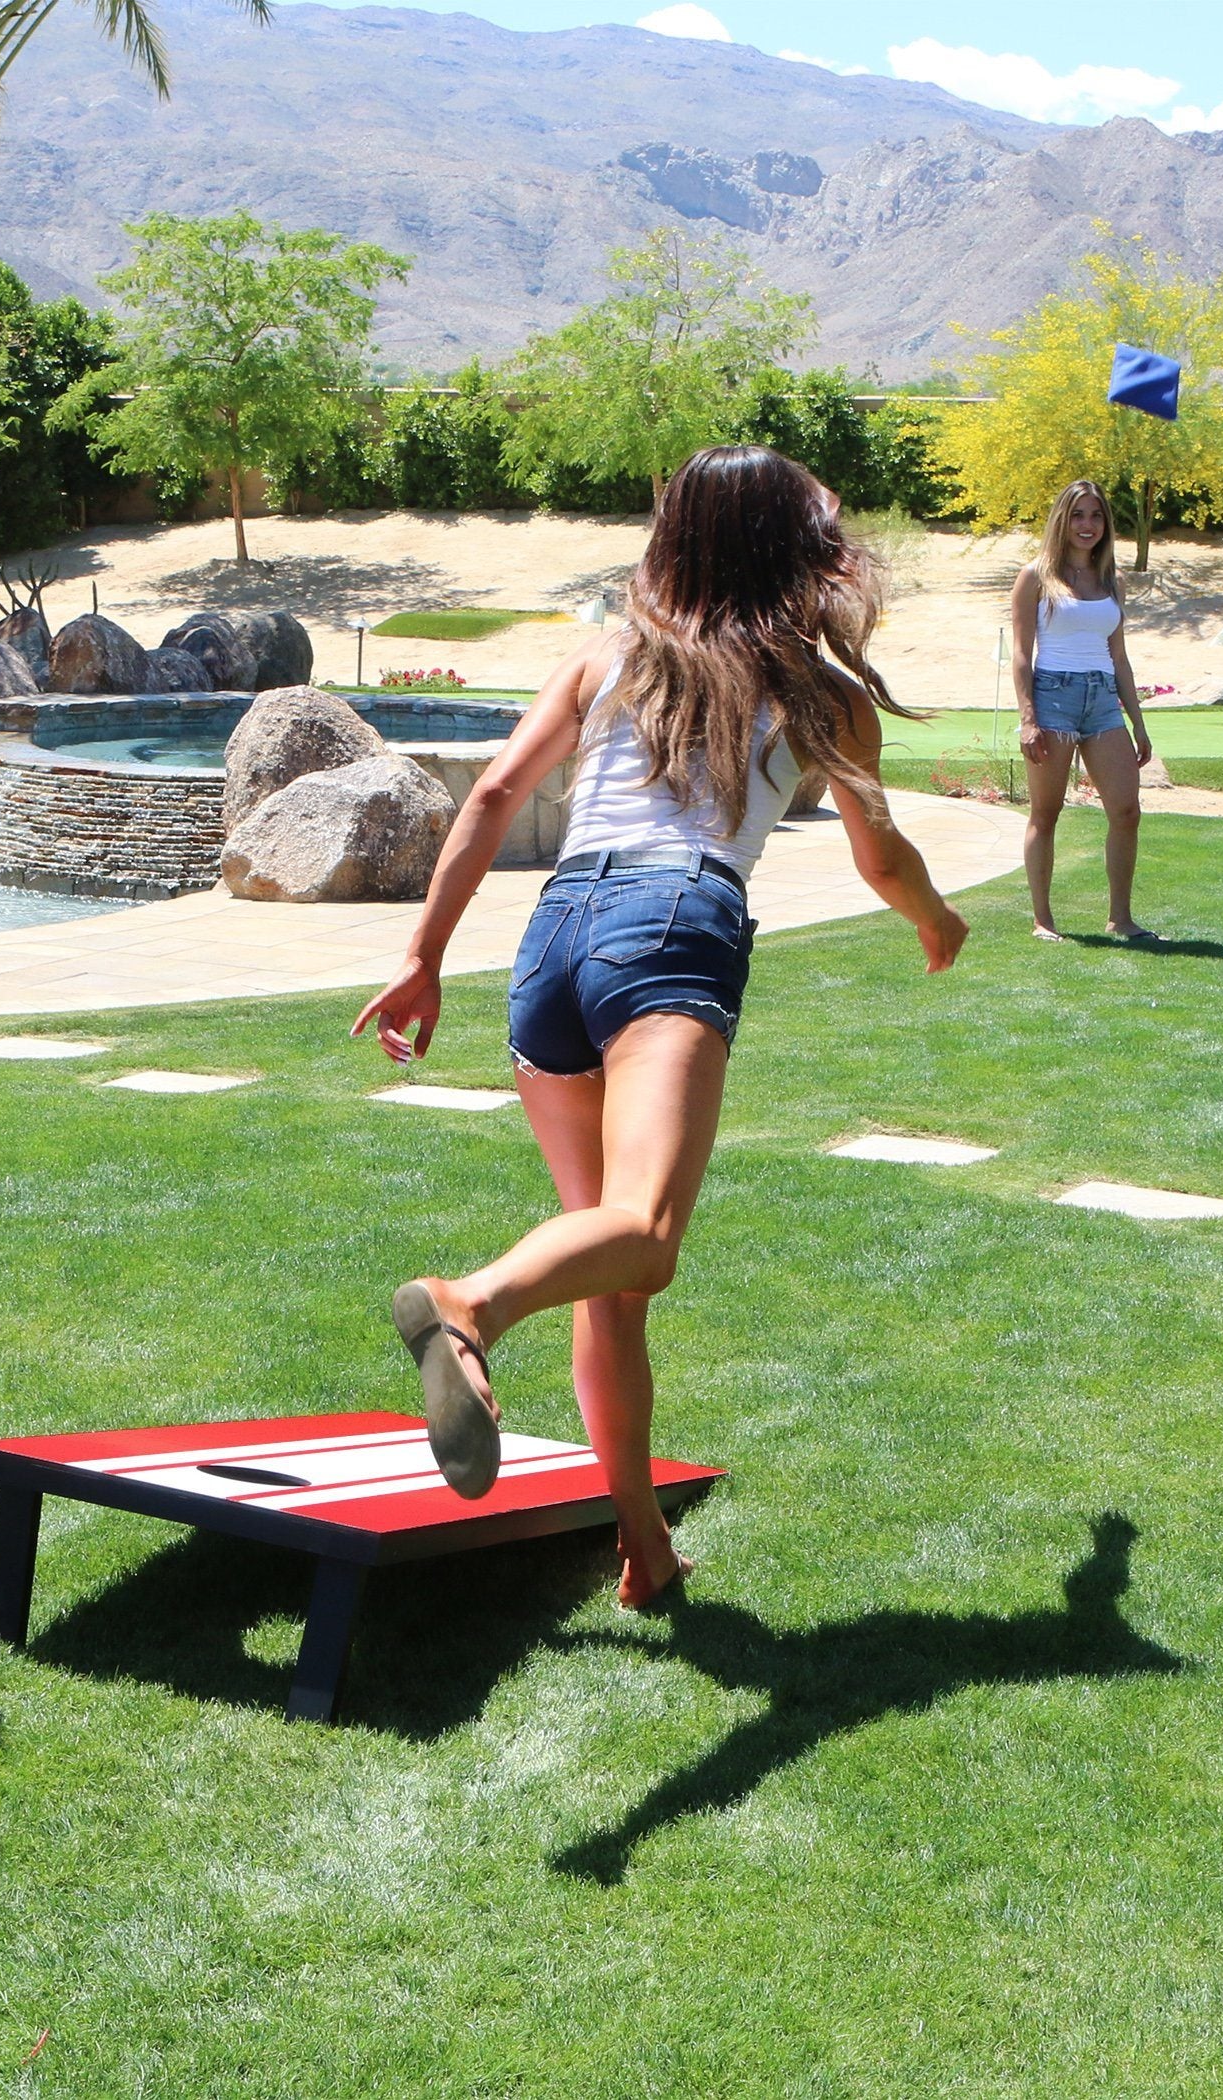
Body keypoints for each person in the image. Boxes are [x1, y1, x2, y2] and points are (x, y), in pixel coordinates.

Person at [352, 445, 969, 1607]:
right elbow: (881, 857)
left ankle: (641, 1545)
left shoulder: (606, 658)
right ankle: (469, 1306)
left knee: (613, 1272)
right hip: (675, 922)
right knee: (645, 1232)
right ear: (788, 551)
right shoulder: (821, 694)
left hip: (554, 938)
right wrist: (936, 917)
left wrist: (423, 958)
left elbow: (494, 795)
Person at [1009, 480, 1157, 942]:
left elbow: (1119, 656)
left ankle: (1120, 918)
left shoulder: (1113, 580)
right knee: (1046, 813)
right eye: (1077, 515)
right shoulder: (1036, 576)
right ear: (1062, 519)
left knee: (1126, 811)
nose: (1087, 525)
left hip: (1103, 700)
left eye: (1095, 516)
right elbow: (1021, 653)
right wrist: (1028, 719)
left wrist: (1138, 723)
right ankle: (1043, 920)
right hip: (1053, 696)